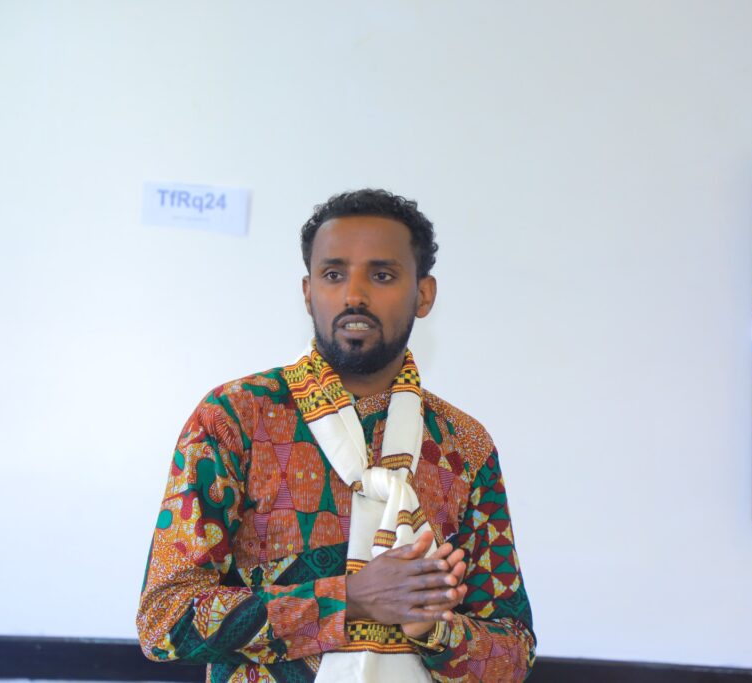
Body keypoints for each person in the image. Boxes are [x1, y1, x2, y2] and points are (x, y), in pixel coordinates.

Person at [136, 189, 535, 682]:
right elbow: (164, 619)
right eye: (333, 274)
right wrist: (350, 600)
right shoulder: (235, 419)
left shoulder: (463, 446)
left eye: (382, 275)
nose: (354, 296)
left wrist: (435, 631)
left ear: (424, 294)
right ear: (308, 292)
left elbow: (514, 652)